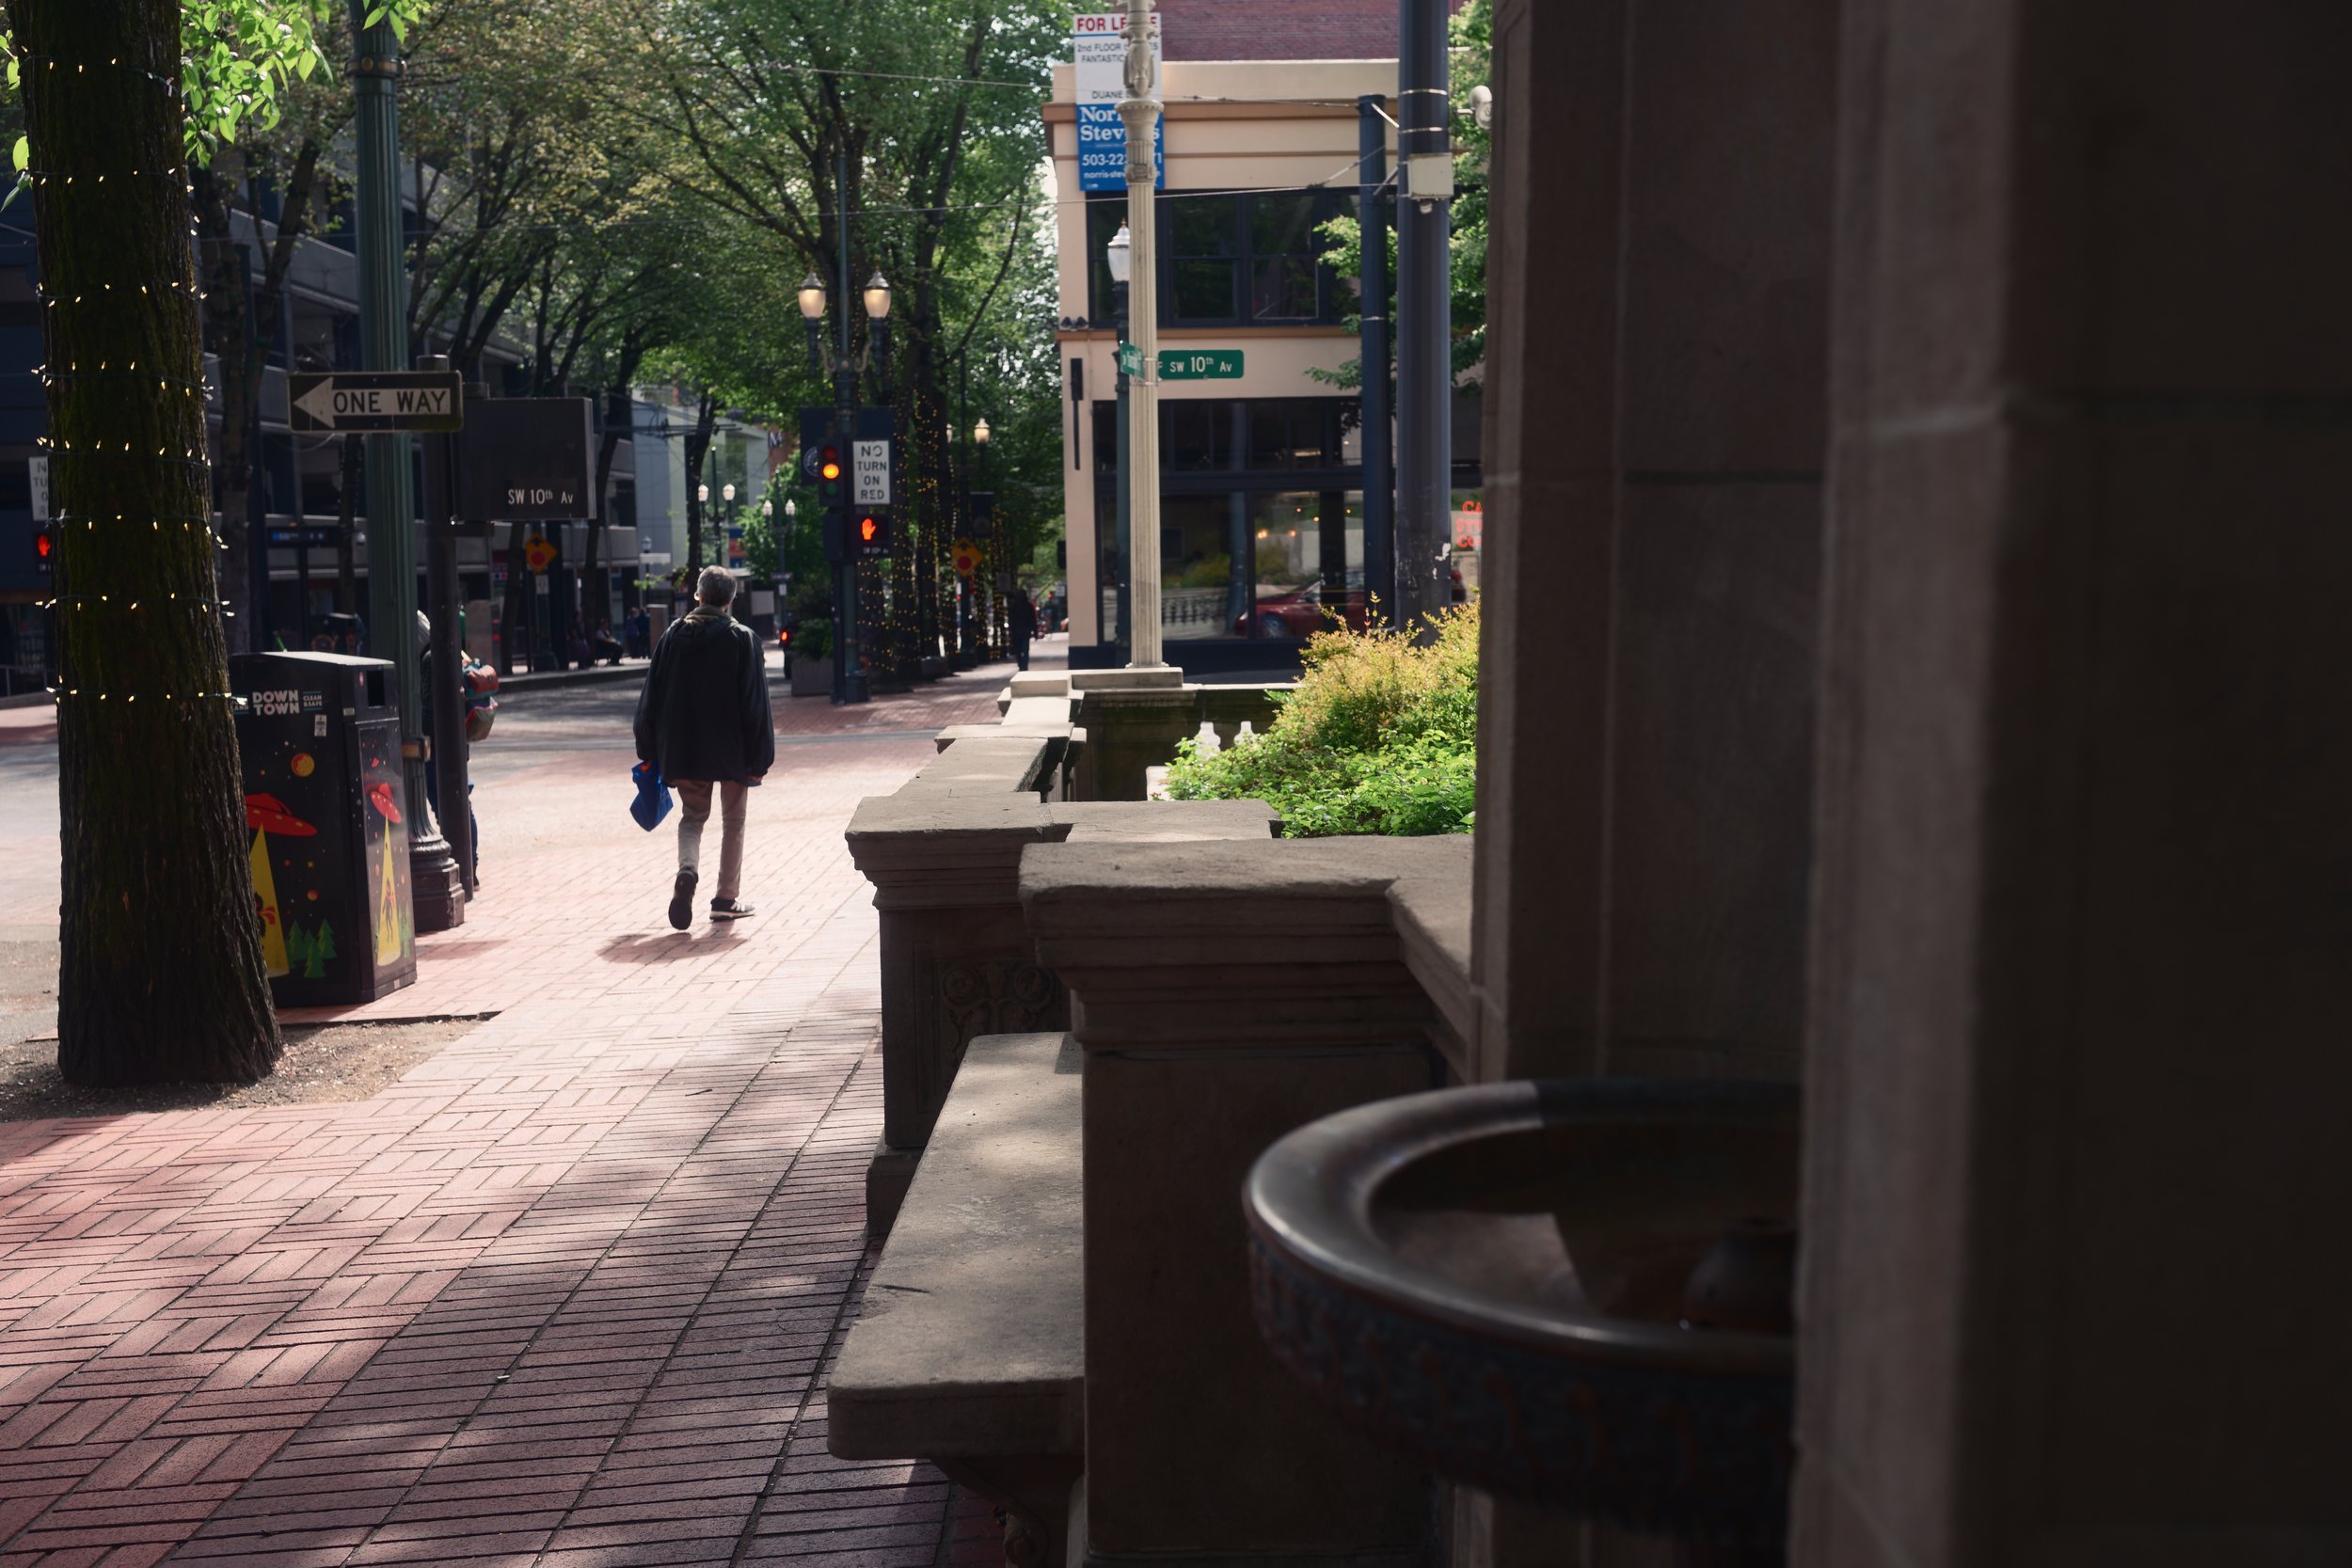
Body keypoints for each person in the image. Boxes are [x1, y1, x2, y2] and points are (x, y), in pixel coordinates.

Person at [634, 565, 773, 929]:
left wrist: (647, 748)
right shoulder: (742, 638)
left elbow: (651, 699)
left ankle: (687, 870)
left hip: (684, 749)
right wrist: (760, 758)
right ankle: (726, 899)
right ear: (730, 599)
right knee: (734, 822)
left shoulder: (672, 637)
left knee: (692, 819)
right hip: (733, 750)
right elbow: (755, 704)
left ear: (698, 596)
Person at [1009, 585, 1036, 673]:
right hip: (1020, 632)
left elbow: (1033, 619)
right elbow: (1012, 621)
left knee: (1022, 650)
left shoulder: (1024, 607)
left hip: (1022, 632)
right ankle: (1022, 665)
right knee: (1021, 650)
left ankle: (1023, 665)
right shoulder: (1016, 607)